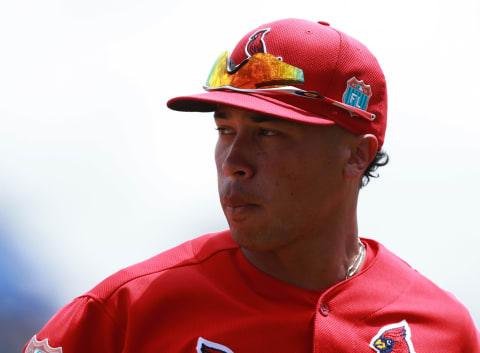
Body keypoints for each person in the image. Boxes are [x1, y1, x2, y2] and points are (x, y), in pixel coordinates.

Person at [24, 18, 479, 353]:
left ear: (356, 155)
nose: (234, 163)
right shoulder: (126, 310)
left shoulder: (445, 331)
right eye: (224, 130)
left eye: (268, 132)